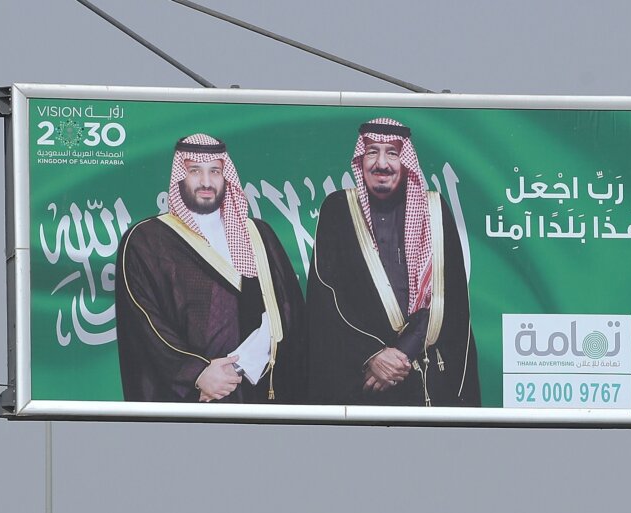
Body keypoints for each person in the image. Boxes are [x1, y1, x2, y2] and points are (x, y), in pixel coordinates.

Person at [114, 134, 305, 403]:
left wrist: (240, 366)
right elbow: (145, 321)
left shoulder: (259, 234)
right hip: (188, 400)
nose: (206, 182)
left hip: (259, 398)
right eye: (195, 171)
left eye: (214, 171)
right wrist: (198, 373)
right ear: (180, 175)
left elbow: (287, 311)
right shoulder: (147, 239)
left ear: (226, 176)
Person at [305, 118, 479, 407]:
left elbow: (450, 298)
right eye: (372, 152)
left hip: (422, 378)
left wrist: (401, 353)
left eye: (393, 153)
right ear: (360, 159)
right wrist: (372, 355)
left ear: (406, 161)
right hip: (361, 381)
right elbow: (326, 300)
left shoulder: (434, 212)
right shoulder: (338, 210)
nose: (381, 163)